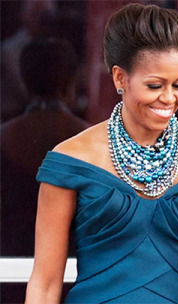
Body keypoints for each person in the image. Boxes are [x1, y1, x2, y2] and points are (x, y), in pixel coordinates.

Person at [25, 4, 178, 303]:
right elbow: (44, 284)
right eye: (155, 85)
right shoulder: (72, 160)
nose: (170, 98)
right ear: (120, 78)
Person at [0, 36, 87, 303]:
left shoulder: (3, 138)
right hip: (71, 275)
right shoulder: (89, 141)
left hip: (13, 273)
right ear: (70, 81)